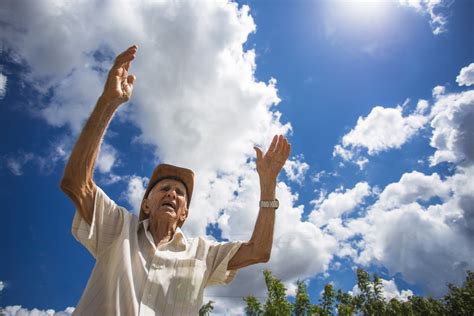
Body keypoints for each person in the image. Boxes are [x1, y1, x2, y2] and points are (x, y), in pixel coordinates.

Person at [60, 45, 291, 315]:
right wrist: (108, 103)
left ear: (185, 213)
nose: (172, 194)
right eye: (164, 188)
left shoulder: (203, 253)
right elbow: (76, 182)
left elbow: (259, 251)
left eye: (180, 193)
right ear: (146, 204)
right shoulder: (119, 227)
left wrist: (268, 184)